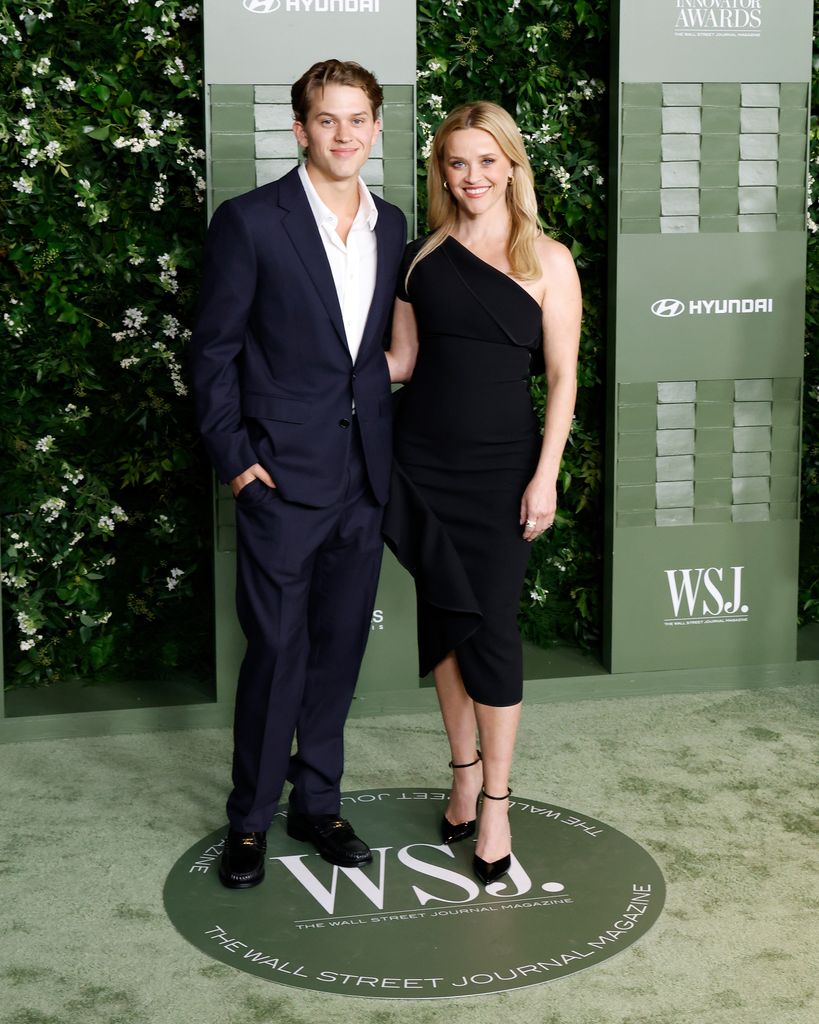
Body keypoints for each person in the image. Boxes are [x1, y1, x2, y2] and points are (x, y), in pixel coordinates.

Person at [189, 59, 406, 889]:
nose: (344, 134)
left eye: (358, 119)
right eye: (327, 120)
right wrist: (237, 462)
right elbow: (212, 354)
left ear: (376, 127)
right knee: (278, 652)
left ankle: (318, 803)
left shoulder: (392, 226)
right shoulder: (249, 222)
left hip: (363, 479)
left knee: (337, 653)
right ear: (299, 129)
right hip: (278, 478)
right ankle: (249, 818)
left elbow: (380, 357)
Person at [384, 101, 581, 885]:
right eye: (456, 163)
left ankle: (496, 801)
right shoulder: (416, 258)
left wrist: (546, 472)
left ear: (511, 167)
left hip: (502, 469)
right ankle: (461, 772)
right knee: (444, 622)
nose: (471, 177)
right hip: (418, 465)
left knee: (491, 629)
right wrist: (302, 370)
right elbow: (401, 361)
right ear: (442, 171)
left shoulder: (548, 260)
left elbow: (563, 379)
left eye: (486, 161)